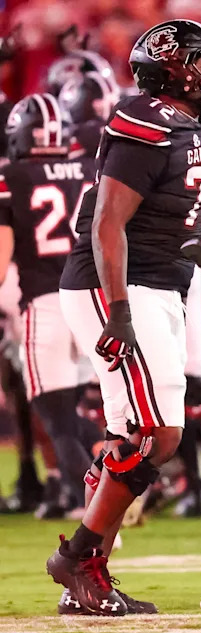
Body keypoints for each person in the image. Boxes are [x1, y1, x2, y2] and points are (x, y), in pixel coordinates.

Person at [46, 19, 201, 616]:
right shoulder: (146, 121)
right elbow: (107, 224)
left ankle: (87, 568)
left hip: (162, 285)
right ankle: (79, 559)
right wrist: (119, 309)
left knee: (132, 436)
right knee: (161, 435)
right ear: (171, 69)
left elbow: (187, 225)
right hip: (121, 287)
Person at [0, 94, 100, 521]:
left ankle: (90, 503)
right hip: (90, 301)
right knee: (76, 409)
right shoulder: (85, 170)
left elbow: (2, 259)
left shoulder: (11, 175)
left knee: (56, 416)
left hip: (44, 303)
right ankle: (123, 477)